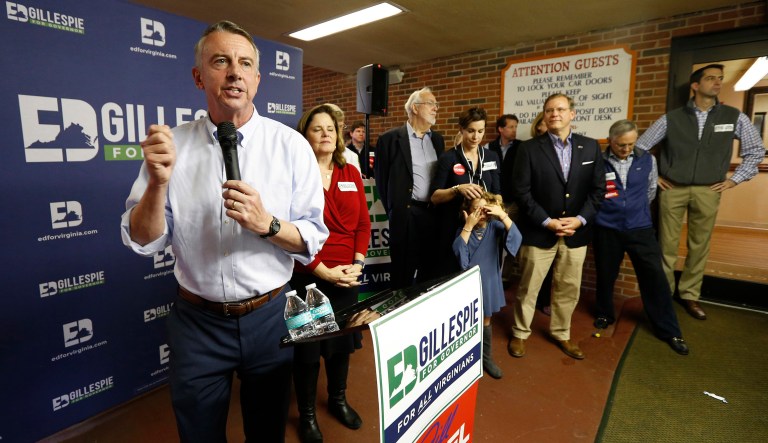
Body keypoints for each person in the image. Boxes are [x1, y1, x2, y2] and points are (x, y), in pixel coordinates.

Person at [120, 20, 328, 443]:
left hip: (272, 317)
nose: (234, 71)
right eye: (220, 61)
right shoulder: (171, 148)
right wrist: (158, 185)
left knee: (267, 432)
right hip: (198, 323)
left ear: (256, 79)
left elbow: (312, 237)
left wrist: (266, 224)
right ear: (199, 76)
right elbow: (142, 239)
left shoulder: (291, 146)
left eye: (244, 63)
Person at [636, 64, 765, 320]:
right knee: (666, 247)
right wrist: (655, 177)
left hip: (709, 189)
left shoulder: (734, 116)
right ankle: (663, 297)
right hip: (673, 189)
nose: (717, 83)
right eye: (710, 79)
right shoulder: (672, 118)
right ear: (695, 86)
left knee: (700, 245)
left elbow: (755, 151)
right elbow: (640, 147)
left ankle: (690, 295)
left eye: (720, 79)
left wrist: (734, 180)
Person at [292, 104, 372, 442]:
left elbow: (363, 224)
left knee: (341, 345)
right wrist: (323, 272)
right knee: (308, 351)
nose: (325, 133)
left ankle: (338, 400)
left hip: (347, 277)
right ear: (304, 135)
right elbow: (289, 232)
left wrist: (358, 262)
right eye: (316, 128)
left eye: (330, 128)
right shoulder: (295, 175)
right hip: (310, 275)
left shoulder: (350, 172)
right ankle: (307, 415)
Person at [509, 93, 605, 360]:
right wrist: (547, 221)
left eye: (560, 109)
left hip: (576, 233)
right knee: (529, 287)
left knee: (569, 287)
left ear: (572, 114)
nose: (554, 114)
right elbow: (522, 192)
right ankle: (520, 332)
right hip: (540, 231)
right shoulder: (528, 149)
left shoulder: (590, 147)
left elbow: (598, 191)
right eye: (549, 110)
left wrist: (579, 219)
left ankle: (562, 332)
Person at [593, 120, 689, 355]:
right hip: (607, 228)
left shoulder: (647, 159)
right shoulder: (599, 162)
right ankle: (605, 314)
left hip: (640, 228)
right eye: (621, 145)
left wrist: (633, 211)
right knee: (606, 275)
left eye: (631, 144)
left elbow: (650, 191)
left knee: (655, 278)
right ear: (610, 141)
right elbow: (593, 193)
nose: (626, 149)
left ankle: (669, 329)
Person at [375, 87, 445, 289]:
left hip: (433, 214)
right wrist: (394, 209)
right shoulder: (389, 140)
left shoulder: (437, 140)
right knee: (402, 271)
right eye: (431, 104)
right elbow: (382, 180)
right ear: (415, 108)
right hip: (405, 215)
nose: (435, 109)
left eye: (436, 105)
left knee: (429, 269)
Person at [453, 192, 522, 378]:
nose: (480, 213)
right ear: (467, 212)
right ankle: (465, 360)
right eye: (475, 209)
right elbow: (462, 259)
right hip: (467, 285)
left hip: (489, 282)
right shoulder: (463, 230)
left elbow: (516, 240)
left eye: (484, 209)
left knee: (485, 321)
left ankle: (486, 359)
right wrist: (468, 226)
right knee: (464, 324)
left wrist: (502, 215)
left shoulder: (496, 226)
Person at [431, 107, 501, 275]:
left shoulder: (491, 157)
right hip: (454, 228)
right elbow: (434, 197)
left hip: (484, 229)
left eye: (480, 131)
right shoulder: (448, 158)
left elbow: (498, 191)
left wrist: (494, 203)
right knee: (452, 274)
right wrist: (457, 189)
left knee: (483, 275)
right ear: (461, 129)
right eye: (470, 131)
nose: (476, 137)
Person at [530, 110, 553, 316]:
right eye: (538, 126)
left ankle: (544, 299)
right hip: (532, 215)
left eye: (543, 125)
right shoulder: (528, 150)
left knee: (551, 266)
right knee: (534, 267)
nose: (540, 129)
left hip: (556, 218)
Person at [325, 103, 362, 174]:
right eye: (330, 127)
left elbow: (357, 184)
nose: (337, 131)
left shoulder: (351, 156)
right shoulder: (307, 155)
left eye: (340, 126)